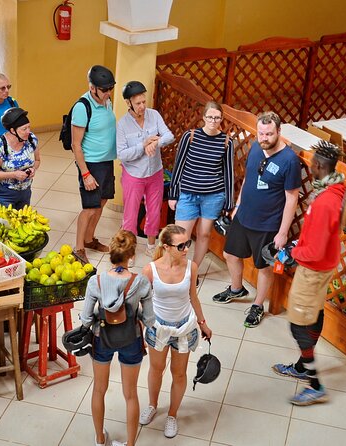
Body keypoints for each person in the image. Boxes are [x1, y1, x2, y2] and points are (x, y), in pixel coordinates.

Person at [212, 111, 301, 328]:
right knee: (229, 254)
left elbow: (292, 199)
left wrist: (282, 232)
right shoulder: (255, 147)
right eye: (261, 133)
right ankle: (236, 288)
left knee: (264, 267)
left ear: (279, 132)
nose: (264, 138)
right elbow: (248, 180)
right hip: (243, 216)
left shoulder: (289, 160)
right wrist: (239, 205)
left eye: (269, 134)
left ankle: (258, 305)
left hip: (268, 224)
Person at [272, 141, 344, 405]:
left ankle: (314, 384)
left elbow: (313, 251)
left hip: (312, 270)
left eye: (313, 162)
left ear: (320, 166)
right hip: (325, 265)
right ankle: (303, 367)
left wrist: (293, 254)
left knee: (298, 323)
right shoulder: (337, 189)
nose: (310, 165)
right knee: (314, 314)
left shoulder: (325, 202)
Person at [79, 229, 154, 446]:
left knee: (98, 389)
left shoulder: (96, 281)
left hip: (102, 338)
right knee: (131, 394)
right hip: (131, 339)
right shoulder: (140, 282)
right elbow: (149, 319)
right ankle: (130, 444)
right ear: (132, 256)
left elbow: (85, 318)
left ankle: (100, 439)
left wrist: (97, 315)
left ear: (111, 252)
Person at [139, 224, 212, 439]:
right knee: (156, 368)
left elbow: (193, 297)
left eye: (187, 243)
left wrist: (203, 322)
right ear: (167, 247)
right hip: (158, 328)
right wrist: (140, 329)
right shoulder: (150, 270)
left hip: (184, 328)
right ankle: (152, 405)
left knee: (179, 373)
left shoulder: (192, 267)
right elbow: (143, 303)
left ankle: (172, 415)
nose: (186, 249)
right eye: (181, 246)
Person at [168, 101, 235, 270]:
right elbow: (178, 166)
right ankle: (178, 268)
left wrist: (229, 202)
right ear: (204, 117)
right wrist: (173, 193)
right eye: (210, 117)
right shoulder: (189, 136)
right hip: (188, 194)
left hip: (213, 196)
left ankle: (194, 270)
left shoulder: (227, 142)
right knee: (180, 235)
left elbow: (228, 173)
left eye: (217, 118)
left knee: (204, 234)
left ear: (222, 119)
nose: (213, 121)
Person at [116, 81, 174, 258]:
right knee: (130, 217)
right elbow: (122, 154)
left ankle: (151, 246)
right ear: (129, 103)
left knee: (154, 212)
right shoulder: (122, 125)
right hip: (133, 175)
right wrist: (143, 146)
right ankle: (129, 251)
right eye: (138, 103)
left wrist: (154, 142)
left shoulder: (154, 115)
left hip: (155, 172)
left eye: (143, 102)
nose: (142, 106)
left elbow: (169, 135)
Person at [71, 65, 117, 263]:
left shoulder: (108, 101)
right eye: (104, 89)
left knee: (102, 201)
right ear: (92, 88)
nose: (108, 93)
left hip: (106, 161)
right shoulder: (82, 107)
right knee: (89, 207)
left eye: (110, 89)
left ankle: (89, 239)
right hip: (91, 163)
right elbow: (76, 144)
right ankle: (79, 248)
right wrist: (85, 174)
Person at [0, 107, 40, 209]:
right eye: (24, 129)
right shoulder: (0, 145)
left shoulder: (31, 139)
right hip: (2, 194)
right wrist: (14, 175)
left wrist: (33, 169)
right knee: (6, 224)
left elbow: (37, 160)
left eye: (29, 127)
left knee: (22, 222)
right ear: (12, 130)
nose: (28, 131)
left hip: (25, 192)